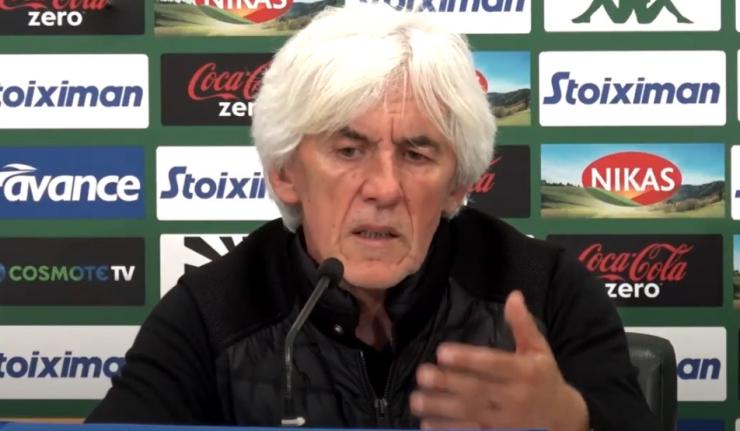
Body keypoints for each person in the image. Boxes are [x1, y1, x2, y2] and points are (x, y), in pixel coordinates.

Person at [87, 5, 659, 431]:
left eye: (416, 154)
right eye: (348, 150)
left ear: (458, 183)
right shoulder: (214, 311)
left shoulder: (544, 290)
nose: (384, 189)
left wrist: (572, 422)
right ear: (286, 173)